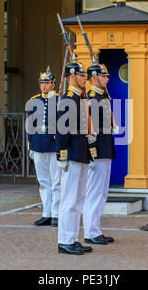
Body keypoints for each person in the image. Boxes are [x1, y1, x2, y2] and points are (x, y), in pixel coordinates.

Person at [56, 61, 94, 255]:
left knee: (78, 199)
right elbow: (62, 130)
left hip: (80, 152)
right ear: (72, 77)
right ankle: (64, 240)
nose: (84, 78)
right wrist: (62, 156)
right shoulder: (68, 99)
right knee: (69, 199)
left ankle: (72, 237)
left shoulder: (79, 98)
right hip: (71, 153)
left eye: (84, 75)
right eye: (81, 75)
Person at [83, 64, 117, 245]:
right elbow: (89, 130)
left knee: (102, 192)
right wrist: (92, 155)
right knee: (94, 192)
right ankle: (90, 232)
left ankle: (95, 229)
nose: (107, 79)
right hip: (98, 151)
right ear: (94, 78)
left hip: (106, 149)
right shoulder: (91, 99)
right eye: (104, 76)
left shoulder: (101, 97)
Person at [27, 67, 61, 227]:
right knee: (43, 181)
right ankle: (46, 213)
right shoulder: (34, 100)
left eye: (47, 83)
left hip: (54, 145)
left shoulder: (60, 100)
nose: (44, 86)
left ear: (53, 84)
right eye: (42, 83)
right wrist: (30, 146)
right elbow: (30, 125)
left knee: (56, 181)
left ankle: (56, 214)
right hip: (38, 144)